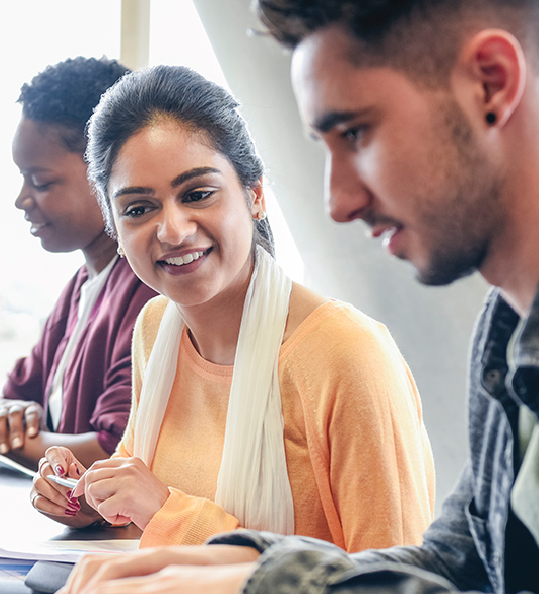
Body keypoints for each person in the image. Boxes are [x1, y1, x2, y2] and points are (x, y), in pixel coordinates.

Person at [47, 1, 539, 594]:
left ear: (491, 82)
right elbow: (456, 564)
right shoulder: (511, 319)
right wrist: (220, 570)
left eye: (357, 133)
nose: (337, 200)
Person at [30, 64, 435, 550]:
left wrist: (167, 511)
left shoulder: (346, 355)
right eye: (139, 208)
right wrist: (84, 500)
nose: (173, 230)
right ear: (114, 228)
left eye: (198, 194)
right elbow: (141, 506)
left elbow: (392, 592)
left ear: (255, 195)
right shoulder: (156, 329)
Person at [0, 57, 157, 470]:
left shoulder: (149, 291)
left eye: (40, 181)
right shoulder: (79, 288)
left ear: (107, 171)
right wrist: (5, 425)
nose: (22, 198)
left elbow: (115, 450)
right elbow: (15, 399)